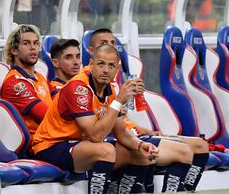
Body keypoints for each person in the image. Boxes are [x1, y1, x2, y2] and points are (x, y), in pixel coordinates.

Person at [87, 28, 210, 192]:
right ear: (90, 52)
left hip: (131, 134)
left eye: (113, 43)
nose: (111, 47)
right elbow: (100, 124)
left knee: (201, 145)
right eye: (104, 43)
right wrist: (120, 108)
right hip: (111, 141)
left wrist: (145, 129)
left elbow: (123, 118)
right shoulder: (86, 83)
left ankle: (186, 189)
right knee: (183, 152)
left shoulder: (114, 84)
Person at [32, 44, 159, 194]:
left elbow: (121, 132)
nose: (106, 70)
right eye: (101, 64)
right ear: (91, 64)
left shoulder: (110, 89)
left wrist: (140, 144)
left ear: (117, 69)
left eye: (111, 65)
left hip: (80, 144)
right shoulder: (78, 88)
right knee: (105, 150)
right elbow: (95, 135)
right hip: (50, 146)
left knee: (142, 154)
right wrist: (118, 101)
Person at [0, 24, 57, 136]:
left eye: (36, 43)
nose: (33, 48)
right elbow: (47, 116)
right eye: (26, 43)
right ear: (14, 50)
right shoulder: (15, 83)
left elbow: (61, 101)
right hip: (38, 144)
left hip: (53, 137)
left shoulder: (40, 77)